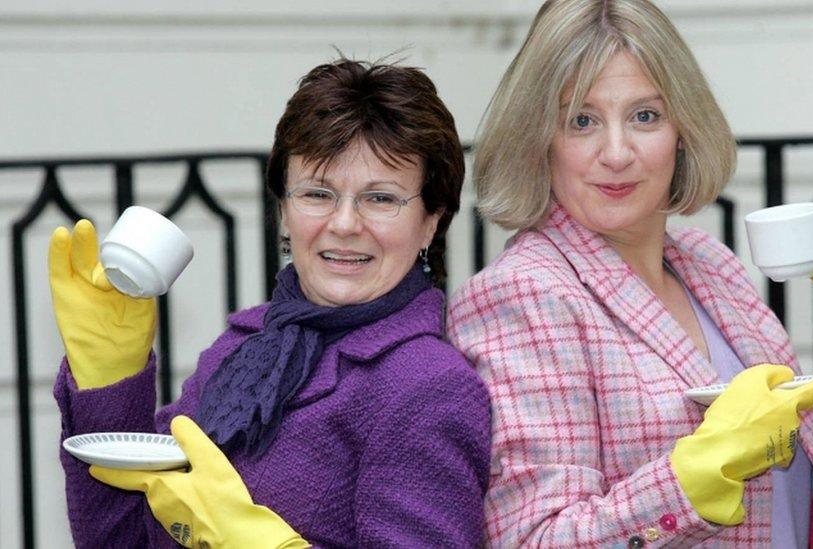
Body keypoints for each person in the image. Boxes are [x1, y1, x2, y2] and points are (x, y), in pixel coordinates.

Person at [446, 1, 813, 547]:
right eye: (582, 120)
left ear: (684, 128)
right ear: (539, 138)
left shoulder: (709, 265)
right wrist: (695, 478)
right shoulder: (523, 294)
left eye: (645, 115)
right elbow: (533, 539)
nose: (618, 152)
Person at [51, 58, 490, 548]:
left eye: (381, 199)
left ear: (432, 220)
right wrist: (108, 384)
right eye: (318, 193)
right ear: (283, 208)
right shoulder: (245, 348)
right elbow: (120, 541)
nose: (344, 223)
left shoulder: (427, 386)